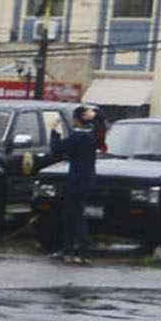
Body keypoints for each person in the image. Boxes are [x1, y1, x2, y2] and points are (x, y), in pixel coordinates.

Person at [51, 106, 101, 262]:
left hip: (76, 180)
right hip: (88, 179)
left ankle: (73, 251)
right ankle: (80, 251)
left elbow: (56, 148)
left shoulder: (78, 137)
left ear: (76, 120)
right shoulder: (93, 137)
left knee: (72, 215)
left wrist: (54, 132)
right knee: (78, 214)